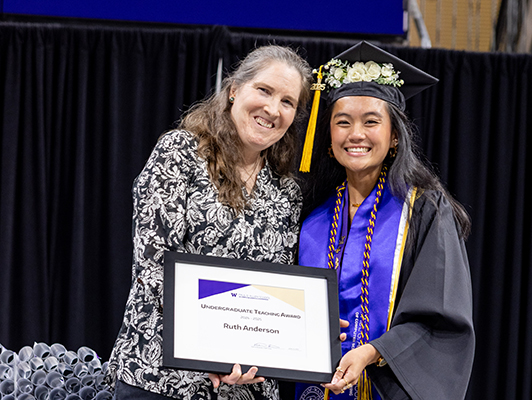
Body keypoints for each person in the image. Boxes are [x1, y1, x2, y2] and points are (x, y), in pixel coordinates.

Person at [107, 45, 313, 400]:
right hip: (162, 379)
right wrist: (211, 348)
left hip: (248, 387)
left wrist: (313, 328)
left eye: (287, 102)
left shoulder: (287, 191)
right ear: (234, 90)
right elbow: (155, 265)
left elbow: (276, 290)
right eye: (264, 90)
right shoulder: (180, 154)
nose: (272, 109)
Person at [294, 41, 475, 400]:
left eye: (371, 122)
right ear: (329, 139)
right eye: (342, 123)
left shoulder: (424, 210)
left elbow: (441, 316)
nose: (356, 134)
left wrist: (373, 351)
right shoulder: (312, 216)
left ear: (394, 137)